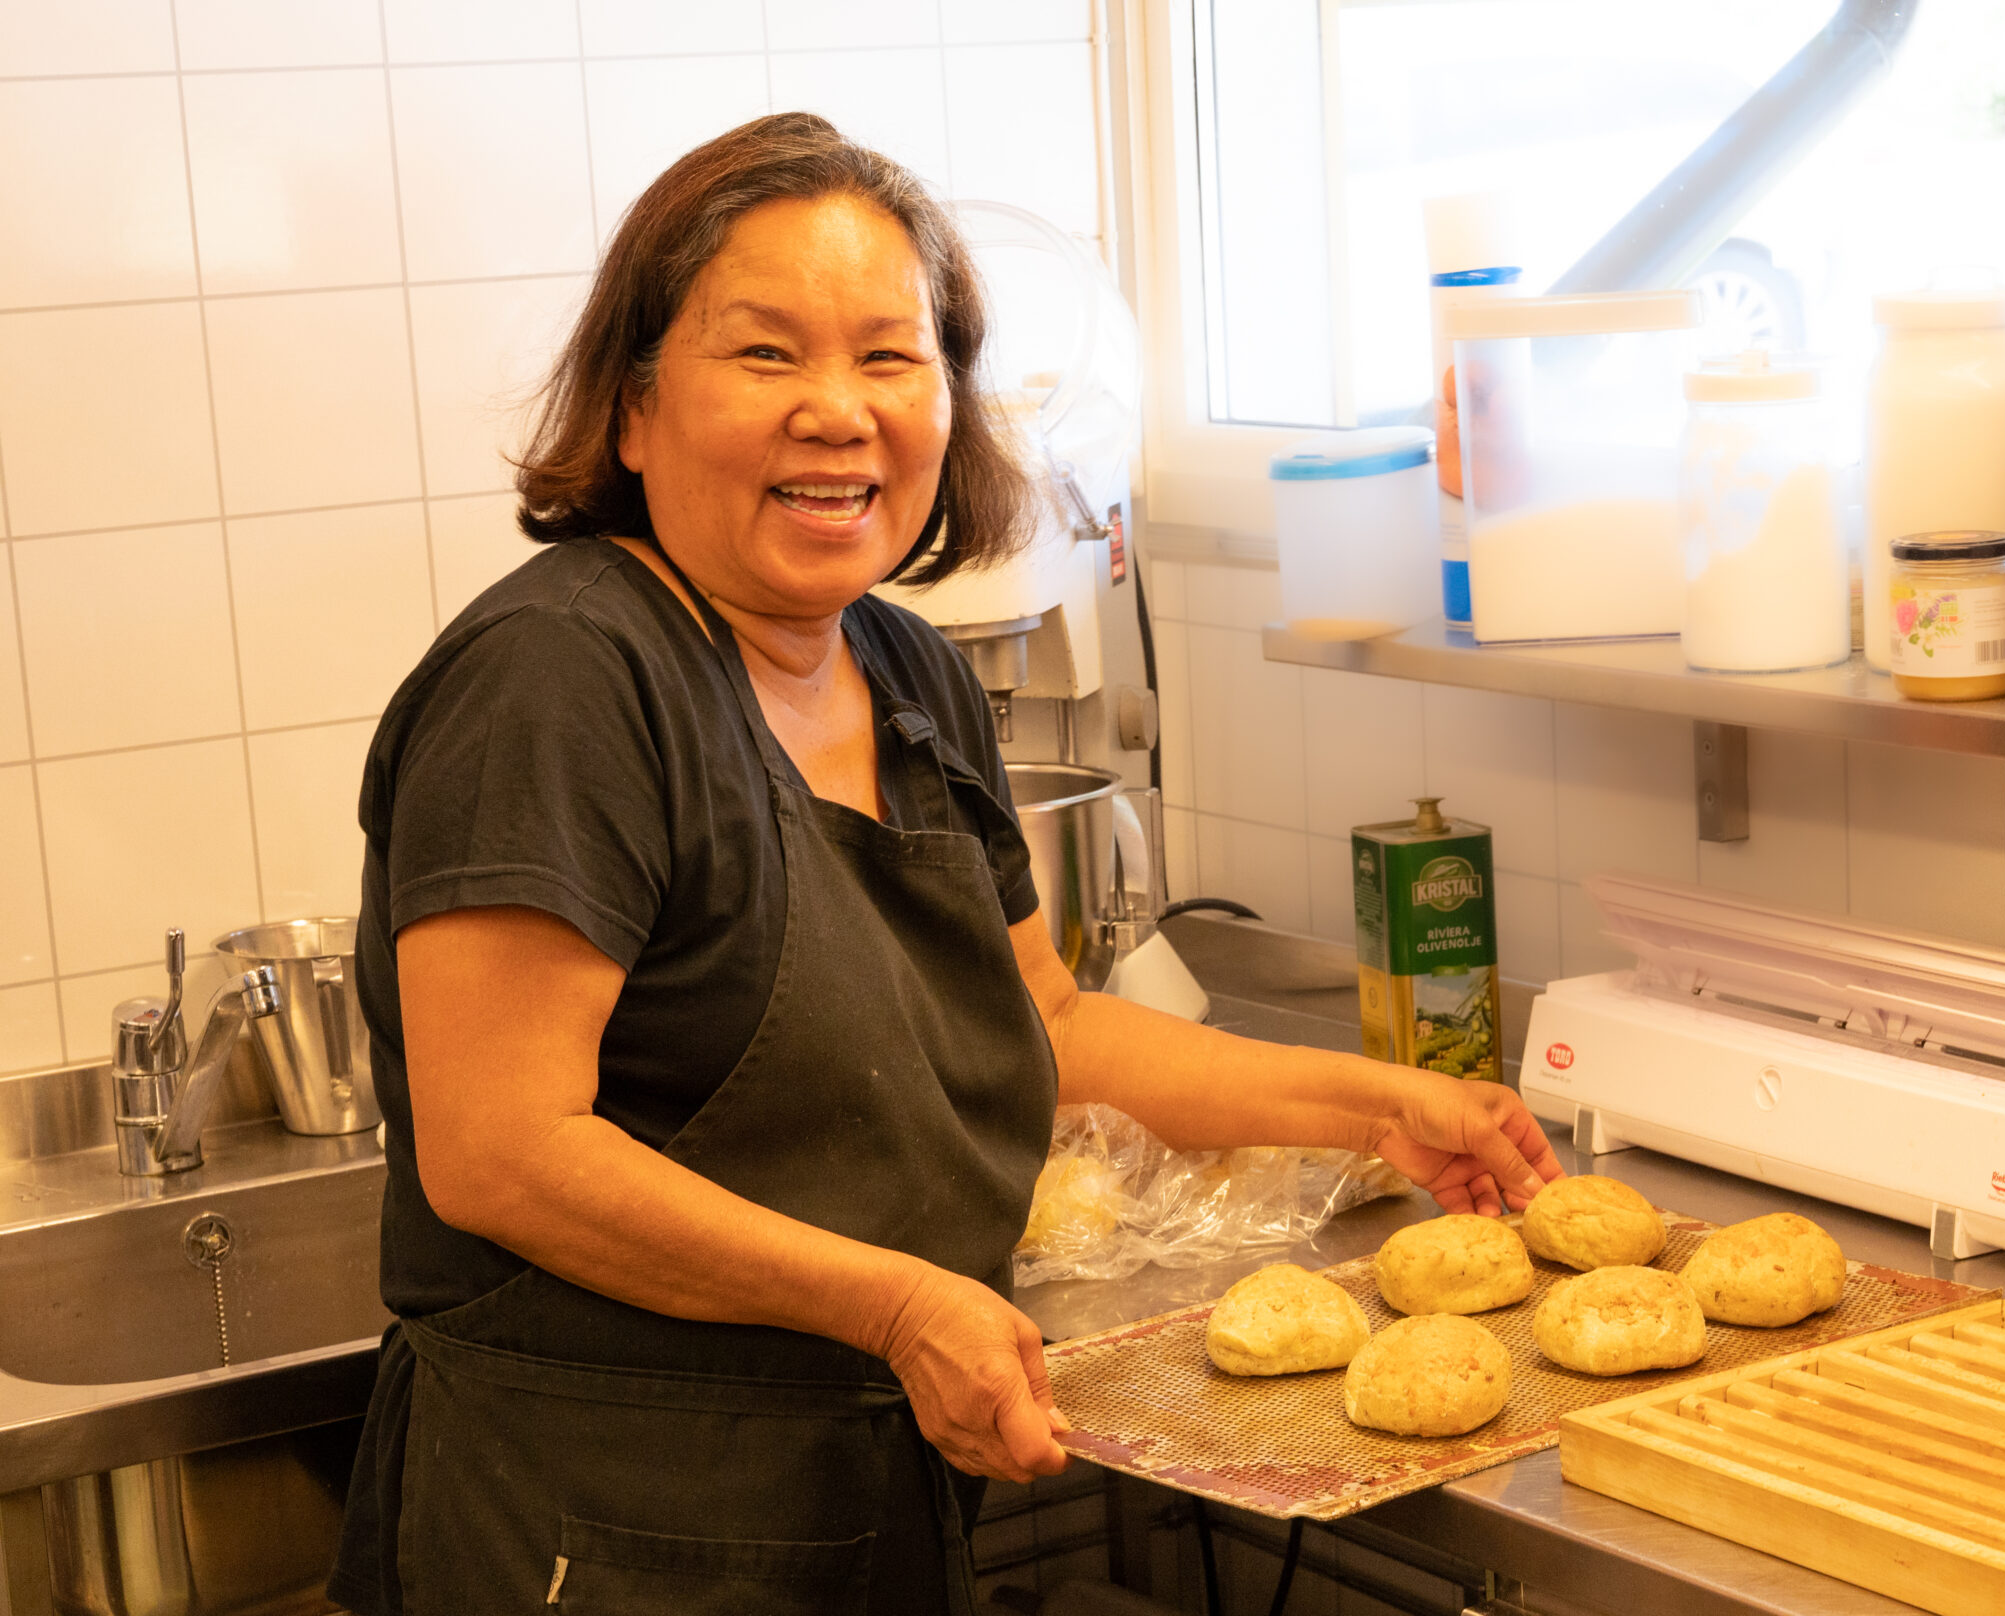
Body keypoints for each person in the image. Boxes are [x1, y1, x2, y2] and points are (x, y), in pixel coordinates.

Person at [327, 113, 1562, 1616]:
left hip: (852, 1502)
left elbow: (1045, 1019)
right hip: (595, 1525)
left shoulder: (906, 671)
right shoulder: (565, 681)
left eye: (889, 357)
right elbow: (502, 1150)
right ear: (634, 406)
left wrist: (1378, 1105)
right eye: (766, 355)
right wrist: (899, 1301)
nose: (839, 412)